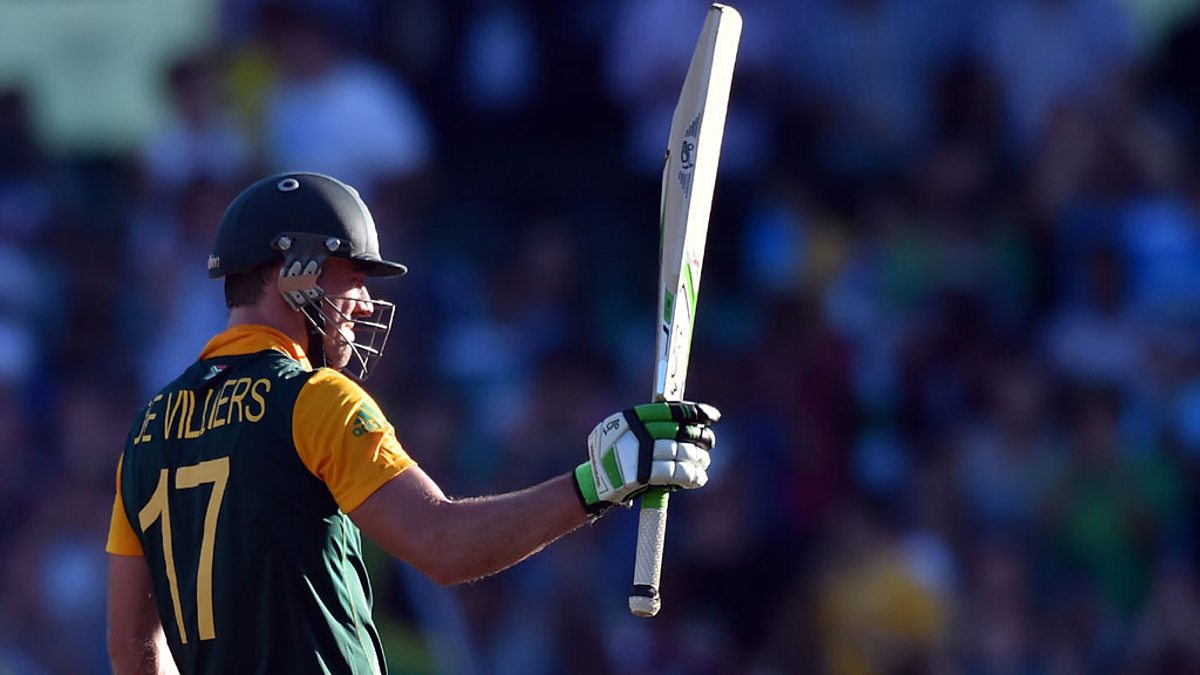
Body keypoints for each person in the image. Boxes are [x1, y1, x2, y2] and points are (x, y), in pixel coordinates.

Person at [104, 172, 720, 674]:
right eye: (353, 277)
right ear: (297, 274)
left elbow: (131, 646)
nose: (364, 302)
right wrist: (599, 482)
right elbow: (443, 545)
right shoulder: (316, 399)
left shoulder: (147, 430)